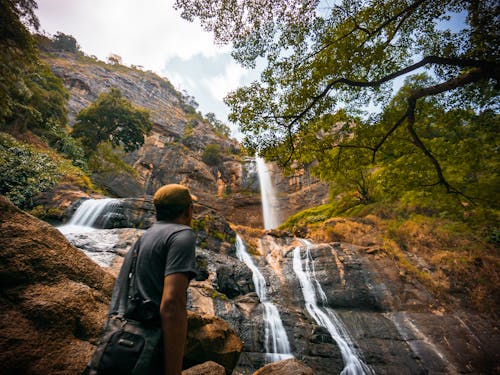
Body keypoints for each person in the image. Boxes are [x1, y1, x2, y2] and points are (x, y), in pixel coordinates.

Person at [108, 183, 198, 375]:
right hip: (150, 346)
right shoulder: (182, 235)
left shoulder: (145, 236)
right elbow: (172, 304)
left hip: (126, 342)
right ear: (189, 210)